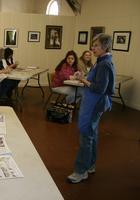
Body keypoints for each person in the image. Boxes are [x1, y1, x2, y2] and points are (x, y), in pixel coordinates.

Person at [67, 34, 115, 184]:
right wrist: (84, 76)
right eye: (93, 45)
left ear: (105, 47)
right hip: (94, 103)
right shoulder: (101, 61)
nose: (92, 48)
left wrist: (83, 80)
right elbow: (95, 80)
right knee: (92, 134)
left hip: (95, 104)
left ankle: (81, 171)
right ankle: (90, 165)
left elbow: (99, 88)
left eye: (96, 46)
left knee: (86, 136)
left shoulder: (104, 64)